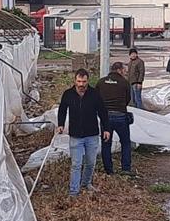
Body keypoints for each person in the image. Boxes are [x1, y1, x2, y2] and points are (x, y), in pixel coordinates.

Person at [57, 69, 110, 197]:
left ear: (88, 81)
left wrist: (106, 129)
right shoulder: (68, 94)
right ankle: (74, 191)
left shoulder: (94, 94)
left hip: (92, 135)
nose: (81, 84)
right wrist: (60, 124)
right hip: (75, 135)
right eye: (79, 81)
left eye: (84, 81)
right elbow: (62, 110)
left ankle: (86, 183)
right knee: (76, 164)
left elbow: (103, 112)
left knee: (90, 162)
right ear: (75, 81)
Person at [96, 62, 133, 175]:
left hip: (105, 117)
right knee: (126, 143)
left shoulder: (101, 82)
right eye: (124, 70)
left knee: (106, 143)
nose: (125, 73)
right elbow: (128, 99)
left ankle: (109, 170)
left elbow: (96, 98)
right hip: (121, 116)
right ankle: (125, 169)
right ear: (119, 70)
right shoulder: (124, 82)